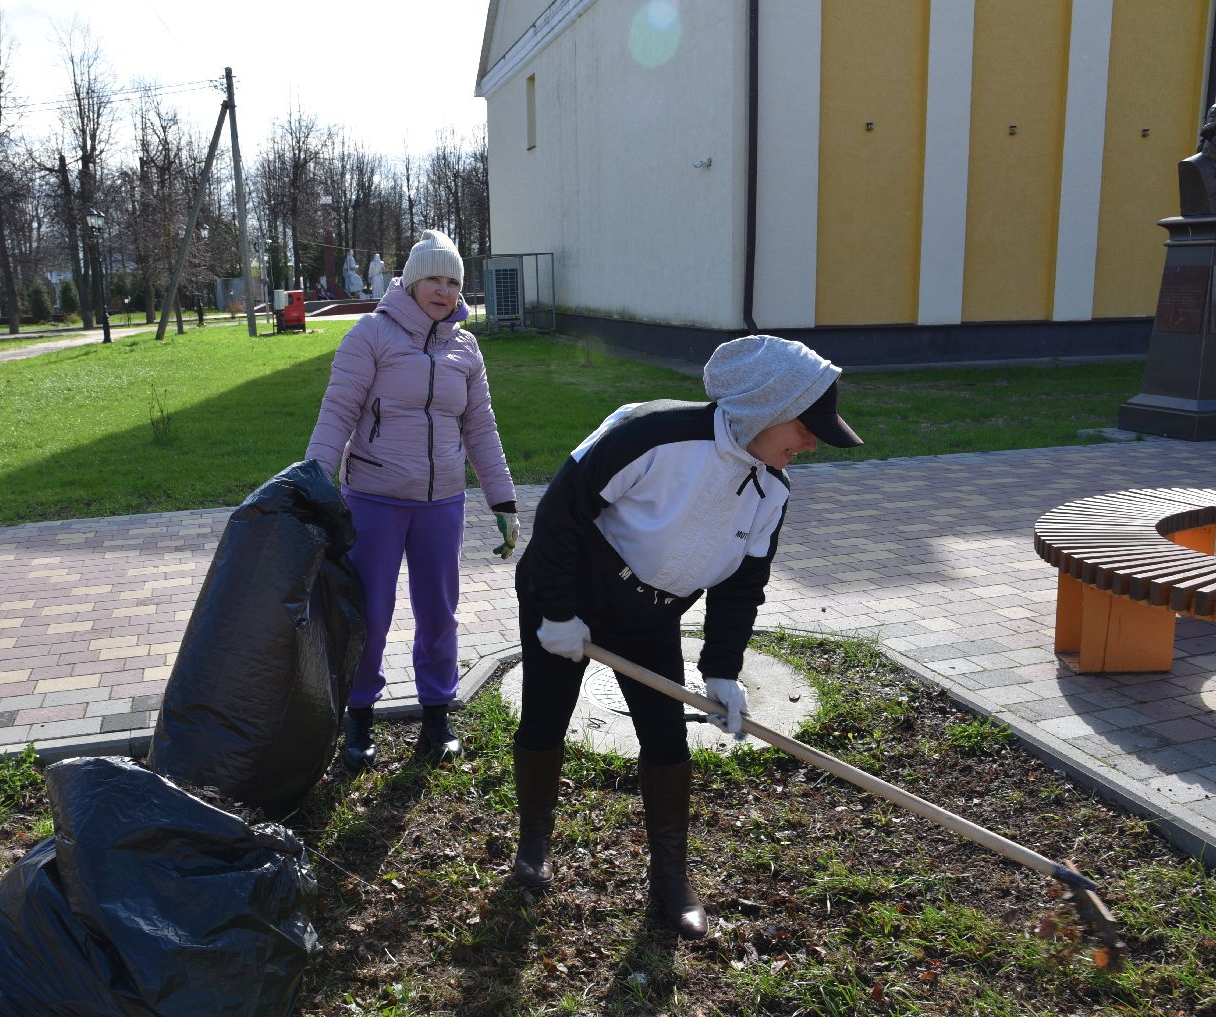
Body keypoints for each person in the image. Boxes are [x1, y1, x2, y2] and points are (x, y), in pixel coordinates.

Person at [509, 334, 863, 939]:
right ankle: (534, 844)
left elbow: (742, 587)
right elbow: (560, 513)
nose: (810, 442)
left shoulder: (770, 490)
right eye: (805, 427)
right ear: (764, 410)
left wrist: (723, 670)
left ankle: (670, 877)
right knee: (546, 717)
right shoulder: (651, 434)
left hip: (650, 616)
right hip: (571, 591)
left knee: (667, 741)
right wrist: (558, 612)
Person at [307, 229, 519, 771]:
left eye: (453, 281)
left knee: (439, 612)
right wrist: (314, 479)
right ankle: (358, 718)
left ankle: (437, 714)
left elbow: (481, 427)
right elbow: (338, 411)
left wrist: (502, 497)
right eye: (434, 279)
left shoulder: (465, 349)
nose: (444, 291)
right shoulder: (370, 335)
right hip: (374, 498)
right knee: (371, 614)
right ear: (411, 280)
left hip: (441, 502)